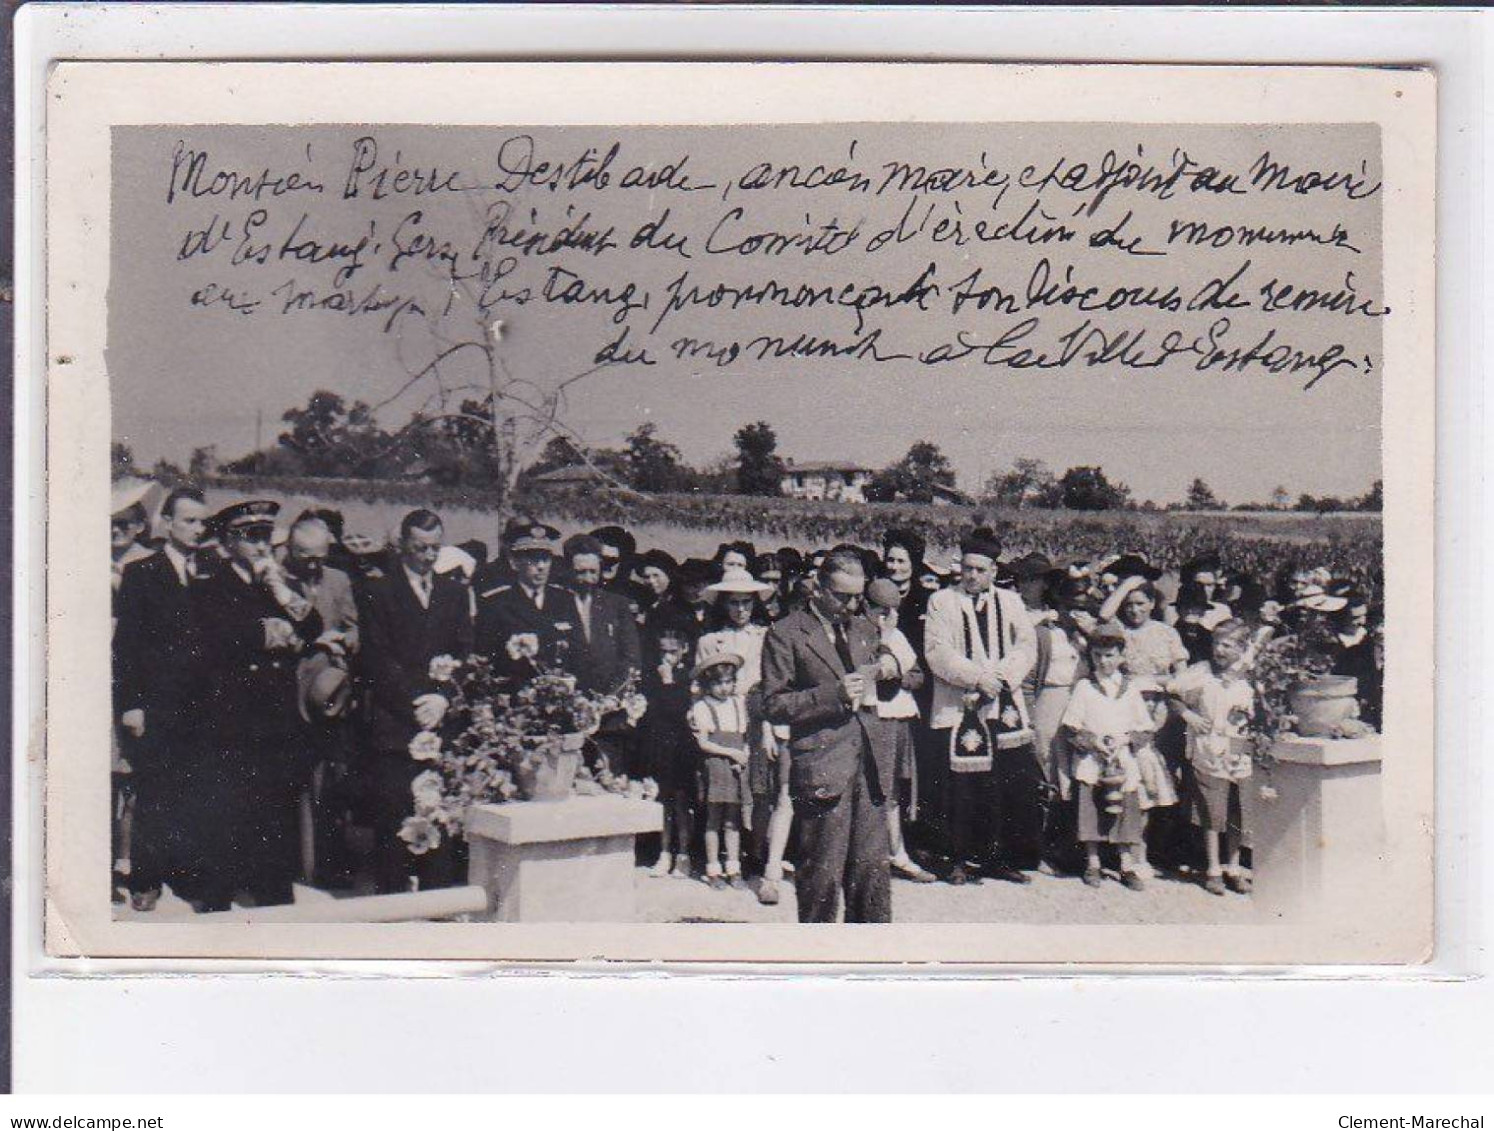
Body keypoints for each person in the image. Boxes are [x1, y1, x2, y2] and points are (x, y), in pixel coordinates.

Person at [191, 500, 325, 910]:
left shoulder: (281, 586)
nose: (261, 546)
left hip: (276, 720)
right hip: (232, 719)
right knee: (228, 813)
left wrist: (280, 591)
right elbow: (215, 637)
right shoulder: (209, 586)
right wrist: (266, 632)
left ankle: (272, 897)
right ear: (229, 543)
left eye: (266, 536)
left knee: (276, 814)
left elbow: (312, 626)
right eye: (251, 538)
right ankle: (216, 904)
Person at [762, 548, 895, 923]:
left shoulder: (865, 627)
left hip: (868, 766)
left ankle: (872, 966)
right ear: (817, 589)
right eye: (843, 596)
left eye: (858, 595)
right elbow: (773, 704)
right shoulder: (785, 633)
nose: (853, 604)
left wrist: (890, 671)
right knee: (821, 877)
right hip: (821, 765)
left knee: (871, 877)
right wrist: (833, 694)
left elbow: (884, 690)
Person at [359, 508, 474, 894]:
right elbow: (378, 658)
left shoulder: (454, 593)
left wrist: (441, 699)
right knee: (394, 817)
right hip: (397, 722)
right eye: (419, 547)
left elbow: (463, 653)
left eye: (434, 548)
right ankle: (391, 907)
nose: (427, 556)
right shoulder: (378, 591)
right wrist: (416, 702)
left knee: (438, 814)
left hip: (440, 722)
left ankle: (436, 901)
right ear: (402, 547)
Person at [923, 527, 1042, 885]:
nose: (972, 576)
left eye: (980, 569)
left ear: (993, 570)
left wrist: (1002, 679)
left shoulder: (1010, 601)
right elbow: (937, 651)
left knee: (1005, 783)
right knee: (961, 785)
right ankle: (958, 857)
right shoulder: (942, 601)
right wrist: (976, 678)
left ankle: (997, 858)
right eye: (967, 568)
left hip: (1001, 705)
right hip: (961, 704)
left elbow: (1026, 646)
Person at [113, 486, 209, 910]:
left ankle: (186, 875)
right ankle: (146, 879)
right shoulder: (142, 573)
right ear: (166, 523)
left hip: (203, 706)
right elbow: (128, 648)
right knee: (154, 792)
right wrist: (132, 705)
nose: (197, 529)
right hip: (158, 705)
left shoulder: (210, 572)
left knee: (195, 792)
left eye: (202, 521)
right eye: (188, 520)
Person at [280, 514, 361, 888]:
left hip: (329, 695)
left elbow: (353, 625)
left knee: (329, 782)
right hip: (287, 694)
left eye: (318, 556)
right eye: (303, 556)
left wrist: (346, 640)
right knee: (290, 783)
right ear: (290, 550)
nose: (312, 564)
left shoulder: (339, 580)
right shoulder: (277, 580)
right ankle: (294, 863)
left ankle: (327, 864)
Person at [1061, 622, 1157, 891]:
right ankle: (1093, 863)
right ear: (1090, 656)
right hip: (1093, 761)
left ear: (1121, 656)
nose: (1104, 662)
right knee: (1090, 810)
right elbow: (1071, 727)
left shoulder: (1130, 689)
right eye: (1098, 656)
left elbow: (1146, 728)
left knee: (1125, 811)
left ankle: (1125, 864)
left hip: (1121, 762)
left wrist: (1126, 740)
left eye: (1110, 655)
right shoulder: (1084, 688)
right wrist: (1093, 743)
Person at [1167, 619, 1257, 896]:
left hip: (1240, 751)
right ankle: (1213, 868)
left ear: (1242, 648)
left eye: (1227, 645)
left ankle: (1234, 867)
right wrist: (1189, 716)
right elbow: (1172, 694)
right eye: (1216, 643)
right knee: (1211, 810)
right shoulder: (1201, 672)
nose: (1219, 649)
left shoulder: (1250, 676)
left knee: (1237, 811)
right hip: (1209, 749)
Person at [864, 579, 936, 884]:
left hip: (900, 718)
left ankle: (898, 854)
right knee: (874, 789)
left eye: (892, 610)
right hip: (873, 717)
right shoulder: (860, 635)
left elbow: (917, 675)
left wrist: (899, 677)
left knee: (894, 789)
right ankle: (873, 855)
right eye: (880, 610)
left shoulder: (899, 637)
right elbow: (873, 676)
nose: (886, 616)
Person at [561, 533, 643, 774]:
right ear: (568, 570)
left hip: (609, 718)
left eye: (592, 572)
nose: (587, 579)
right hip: (570, 714)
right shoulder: (556, 604)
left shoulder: (617, 605)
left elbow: (631, 658)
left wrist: (611, 698)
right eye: (580, 572)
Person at [474, 519, 575, 683]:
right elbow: (485, 660)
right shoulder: (496, 603)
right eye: (533, 559)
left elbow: (575, 653)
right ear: (514, 563)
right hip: (515, 698)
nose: (541, 566)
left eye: (546, 558)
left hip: (561, 694)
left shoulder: (565, 600)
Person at [689, 638, 754, 890]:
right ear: (708, 684)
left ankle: (733, 867)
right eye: (718, 683)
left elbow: (744, 736)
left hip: (737, 765)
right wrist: (731, 754)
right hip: (716, 764)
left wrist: (744, 753)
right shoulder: (703, 707)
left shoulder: (738, 703)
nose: (724, 688)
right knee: (714, 819)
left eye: (728, 682)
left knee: (733, 820)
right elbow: (704, 743)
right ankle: (713, 869)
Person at [639, 616, 698, 879]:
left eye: (673, 652)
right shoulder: (653, 674)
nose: (667, 657)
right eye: (663, 652)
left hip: (683, 745)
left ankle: (683, 853)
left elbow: (679, 709)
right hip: (660, 743)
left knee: (682, 801)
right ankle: (664, 852)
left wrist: (669, 681)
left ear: (684, 649)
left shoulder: (689, 675)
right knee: (664, 799)